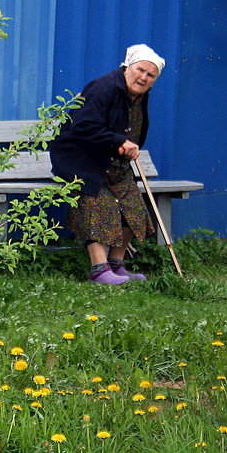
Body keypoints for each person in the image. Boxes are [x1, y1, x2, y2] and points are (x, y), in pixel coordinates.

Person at [49, 44, 164, 284]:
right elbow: (83, 125)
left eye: (150, 75)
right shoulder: (104, 89)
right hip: (81, 160)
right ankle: (99, 271)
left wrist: (125, 144)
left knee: (132, 205)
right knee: (98, 204)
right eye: (140, 70)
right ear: (127, 67)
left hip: (112, 160)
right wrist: (119, 140)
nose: (143, 77)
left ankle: (116, 266)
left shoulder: (138, 95)